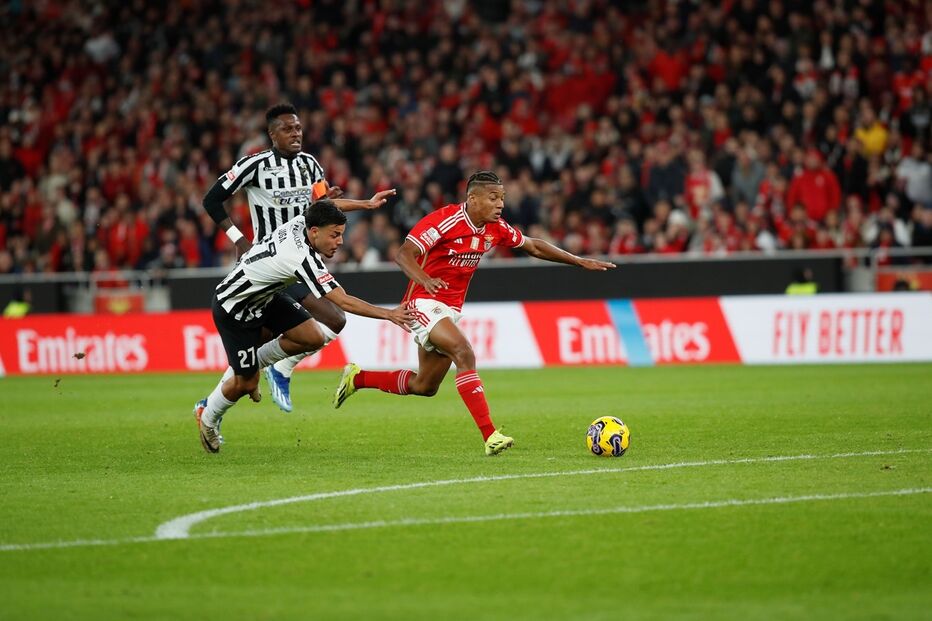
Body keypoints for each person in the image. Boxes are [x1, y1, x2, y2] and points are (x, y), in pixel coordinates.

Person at [332, 171, 616, 456]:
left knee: (425, 385)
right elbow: (403, 254)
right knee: (464, 352)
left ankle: (358, 377)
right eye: (493, 198)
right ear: (472, 198)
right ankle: (490, 435)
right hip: (422, 302)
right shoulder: (444, 221)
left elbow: (533, 245)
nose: (500, 204)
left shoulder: (496, 228)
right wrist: (424, 280)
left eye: (502, 199)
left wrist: (577, 261)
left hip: (450, 309)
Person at [202, 102, 396, 413]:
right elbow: (211, 199)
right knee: (317, 323)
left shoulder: (310, 165)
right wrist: (239, 240)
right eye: (288, 129)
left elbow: (322, 208)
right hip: (269, 264)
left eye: (298, 128)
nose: (296, 133)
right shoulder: (254, 165)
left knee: (334, 320)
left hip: (299, 263)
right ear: (272, 134)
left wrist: (366, 204)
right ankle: (217, 401)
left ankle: (271, 372)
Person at [194, 200, 414, 454]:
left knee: (312, 336)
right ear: (314, 232)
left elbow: (325, 204)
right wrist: (390, 314)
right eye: (335, 235)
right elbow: (342, 300)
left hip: (266, 298)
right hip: (235, 308)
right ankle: (208, 417)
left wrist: (365, 204)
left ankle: (259, 365)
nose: (340, 241)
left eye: (341, 234)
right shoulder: (301, 258)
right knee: (245, 383)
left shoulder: (302, 220)